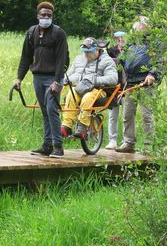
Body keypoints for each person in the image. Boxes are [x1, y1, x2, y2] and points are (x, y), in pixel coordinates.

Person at [14, 1, 69, 158]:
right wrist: (19, 78)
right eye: (43, 15)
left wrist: (58, 81)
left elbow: (62, 60)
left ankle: (58, 146)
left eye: (49, 15)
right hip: (38, 77)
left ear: (52, 17)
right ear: (38, 16)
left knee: (52, 109)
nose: (46, 17)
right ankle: (47, 145)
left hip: (53, 78)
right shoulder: (31, 32)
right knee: (45, 111)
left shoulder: (59, 33)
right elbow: (25, 57)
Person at [116, 16, 160, 154]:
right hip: (130, 83)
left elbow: (159, 62)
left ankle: (149, 145)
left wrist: (152, 74)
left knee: (147, 115)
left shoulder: (153, 44)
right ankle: (129, 143)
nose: (140, 30)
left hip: (145, 83)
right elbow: (122, 60)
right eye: (138, 28)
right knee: (127, 114)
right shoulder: (130, 44)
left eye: (142, 27)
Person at [61, 37, 118, 139]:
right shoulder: (79, 59)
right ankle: (67, 126)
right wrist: (64, 81)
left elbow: (113, 78)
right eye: (84, 52)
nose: (86, 55)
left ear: (96, 50)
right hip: (80, 87)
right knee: (71, 93)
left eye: (89, 52)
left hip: (98, 89)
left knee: (87, 97)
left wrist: (95, 80)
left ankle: (82, 127)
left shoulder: (107, 61)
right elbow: (68, 75)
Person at [105, 31, 127, 150]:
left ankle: (125, 140)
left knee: (126, 115)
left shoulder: (130, 50)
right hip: (113, 87)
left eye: (123, 37)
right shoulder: (110, 51)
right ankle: (112, 140)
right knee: (112, 115)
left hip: (127, 87)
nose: (121, 39)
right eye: (118, 37)